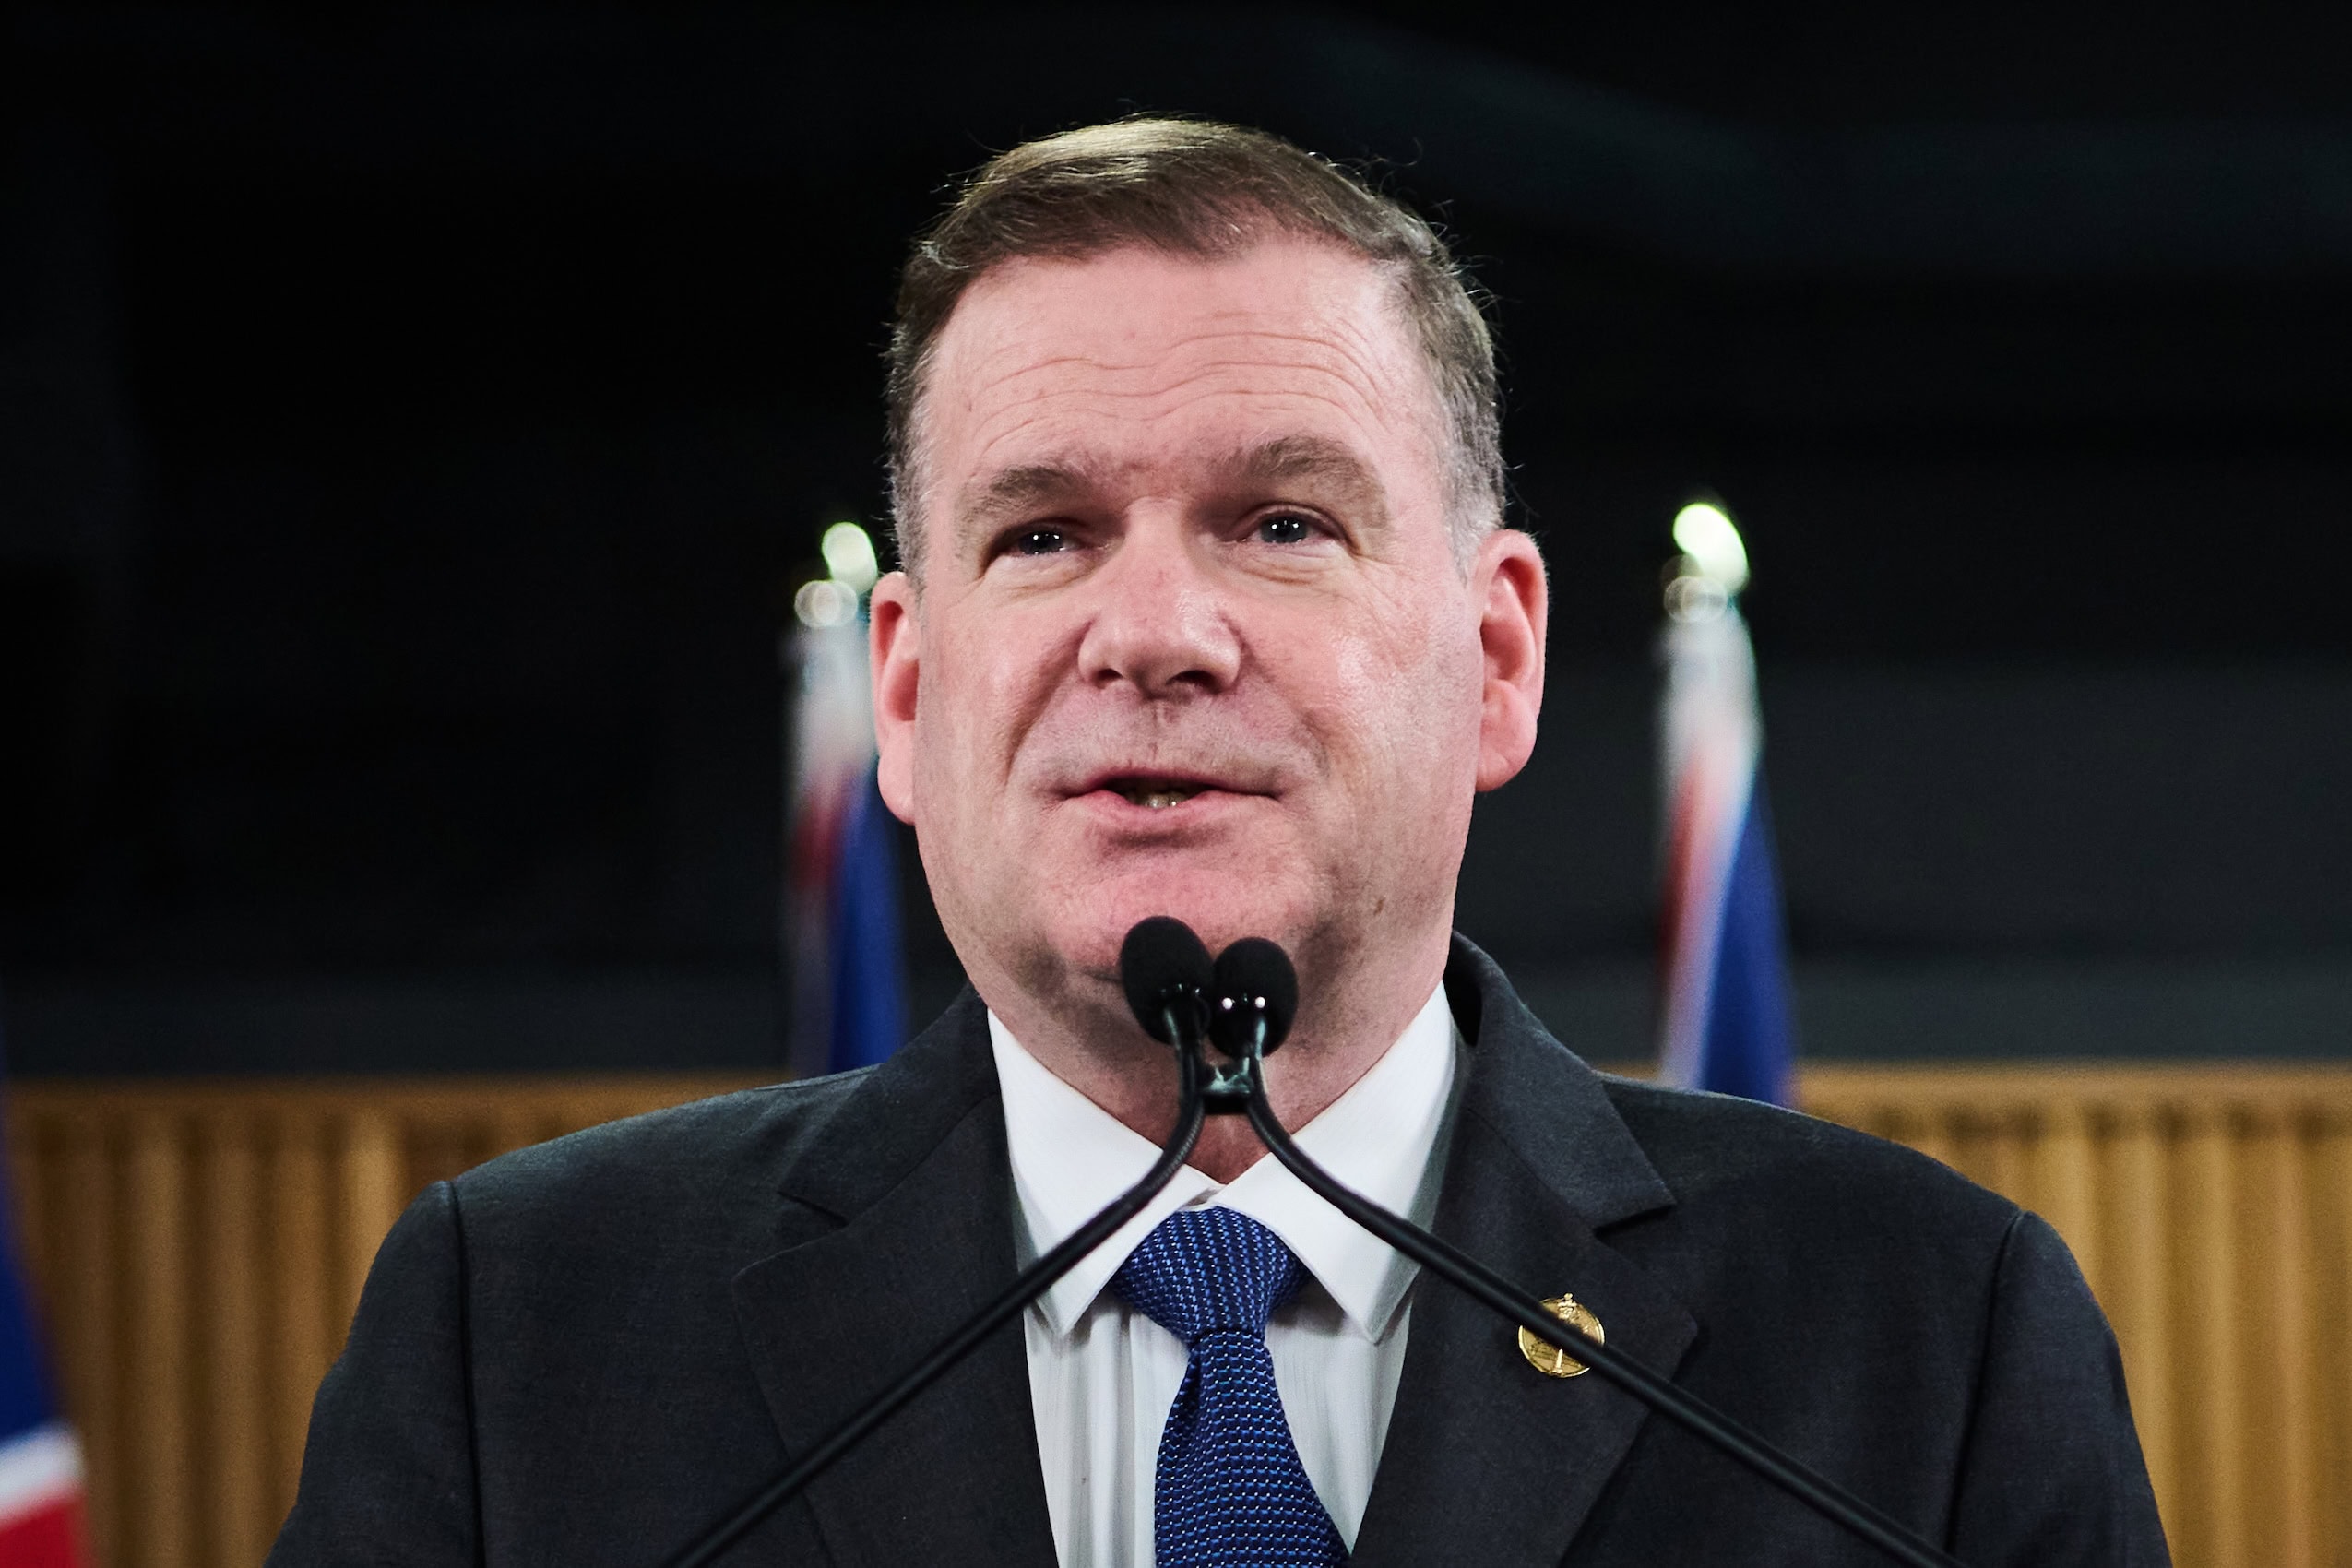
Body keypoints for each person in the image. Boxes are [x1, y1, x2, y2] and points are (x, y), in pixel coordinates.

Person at [268, 120, 2168, 1567]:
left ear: (1497, 658)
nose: (1156, 629)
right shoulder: (519, 1343)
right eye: (1042, 533)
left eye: (1282, 522)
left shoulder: (1919, 1343)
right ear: (909, 696)